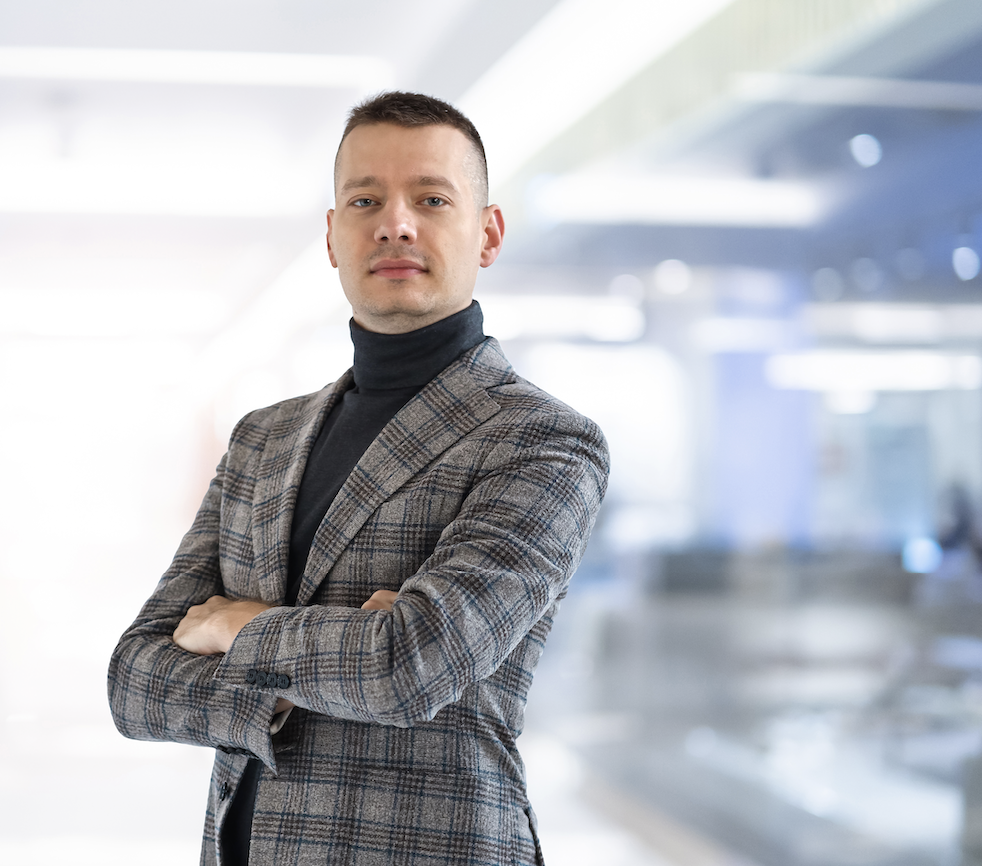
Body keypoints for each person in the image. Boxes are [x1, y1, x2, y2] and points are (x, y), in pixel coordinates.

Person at [108, 91, 609, 866]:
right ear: (333, 236)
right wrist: (341, 654)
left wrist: (235, 629)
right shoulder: (263, 439)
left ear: (488, 233)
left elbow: (410, 666)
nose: (395, 224)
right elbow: (135, 680)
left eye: (431, 199)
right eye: (365, 200)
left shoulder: (541, 440)